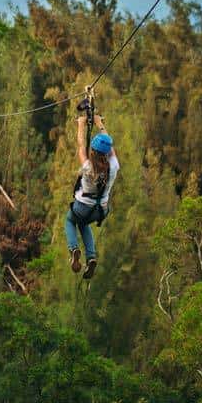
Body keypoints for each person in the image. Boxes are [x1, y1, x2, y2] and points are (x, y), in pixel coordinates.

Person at [64, 113, 119, 279]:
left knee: (70, 220)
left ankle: (74, 248)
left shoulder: (88, 167)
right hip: (100, 209)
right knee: (84, 224)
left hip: (82, 206)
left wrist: (81, 124)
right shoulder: (114, 166)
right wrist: (99, 123)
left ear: (93, 151)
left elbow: (81, 146)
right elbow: (109, 144)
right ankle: (91, 257)